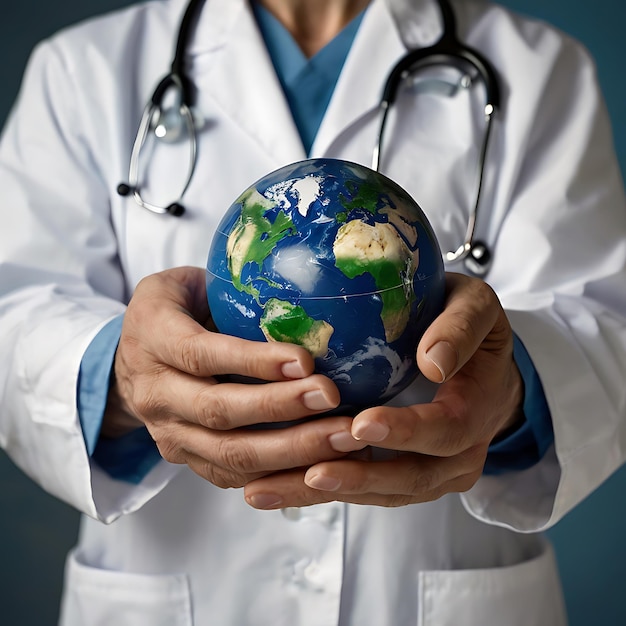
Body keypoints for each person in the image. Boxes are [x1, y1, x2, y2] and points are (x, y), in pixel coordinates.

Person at [1, 0, 625, 624]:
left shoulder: (539, 69)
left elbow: (608, 324)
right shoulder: (82, 69)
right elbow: (14, 312)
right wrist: (120, 375)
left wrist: (514, 389)